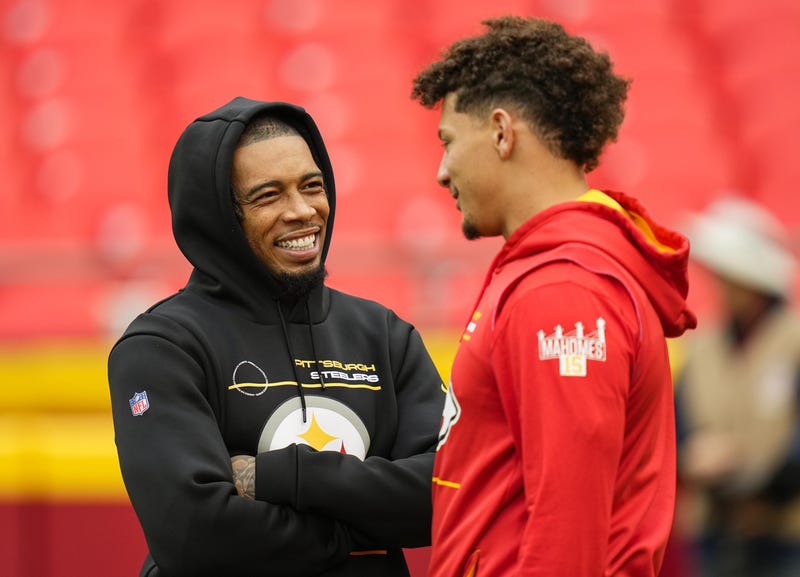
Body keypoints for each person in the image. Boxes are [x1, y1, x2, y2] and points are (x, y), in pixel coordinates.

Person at [107, 96, 445, 577]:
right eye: (268, 196)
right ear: (217, 215)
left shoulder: (385, 335)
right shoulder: (162, 347)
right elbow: (195, 535)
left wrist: (276, 477)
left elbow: (447, 495)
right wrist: (361, 533)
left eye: (313, 186)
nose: (303, 211)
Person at [410, 16, 697, 577]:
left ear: (500, 131)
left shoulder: (561, 291)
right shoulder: (555, 275)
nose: (443, 172)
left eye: (448, 142)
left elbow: (568, 534)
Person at [674, 196, 800, 577]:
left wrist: (762, 486)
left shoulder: (794, 342)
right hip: (715, 533)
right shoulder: (701, 350)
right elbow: (679, 431)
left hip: (784, 536)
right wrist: (692, 458)